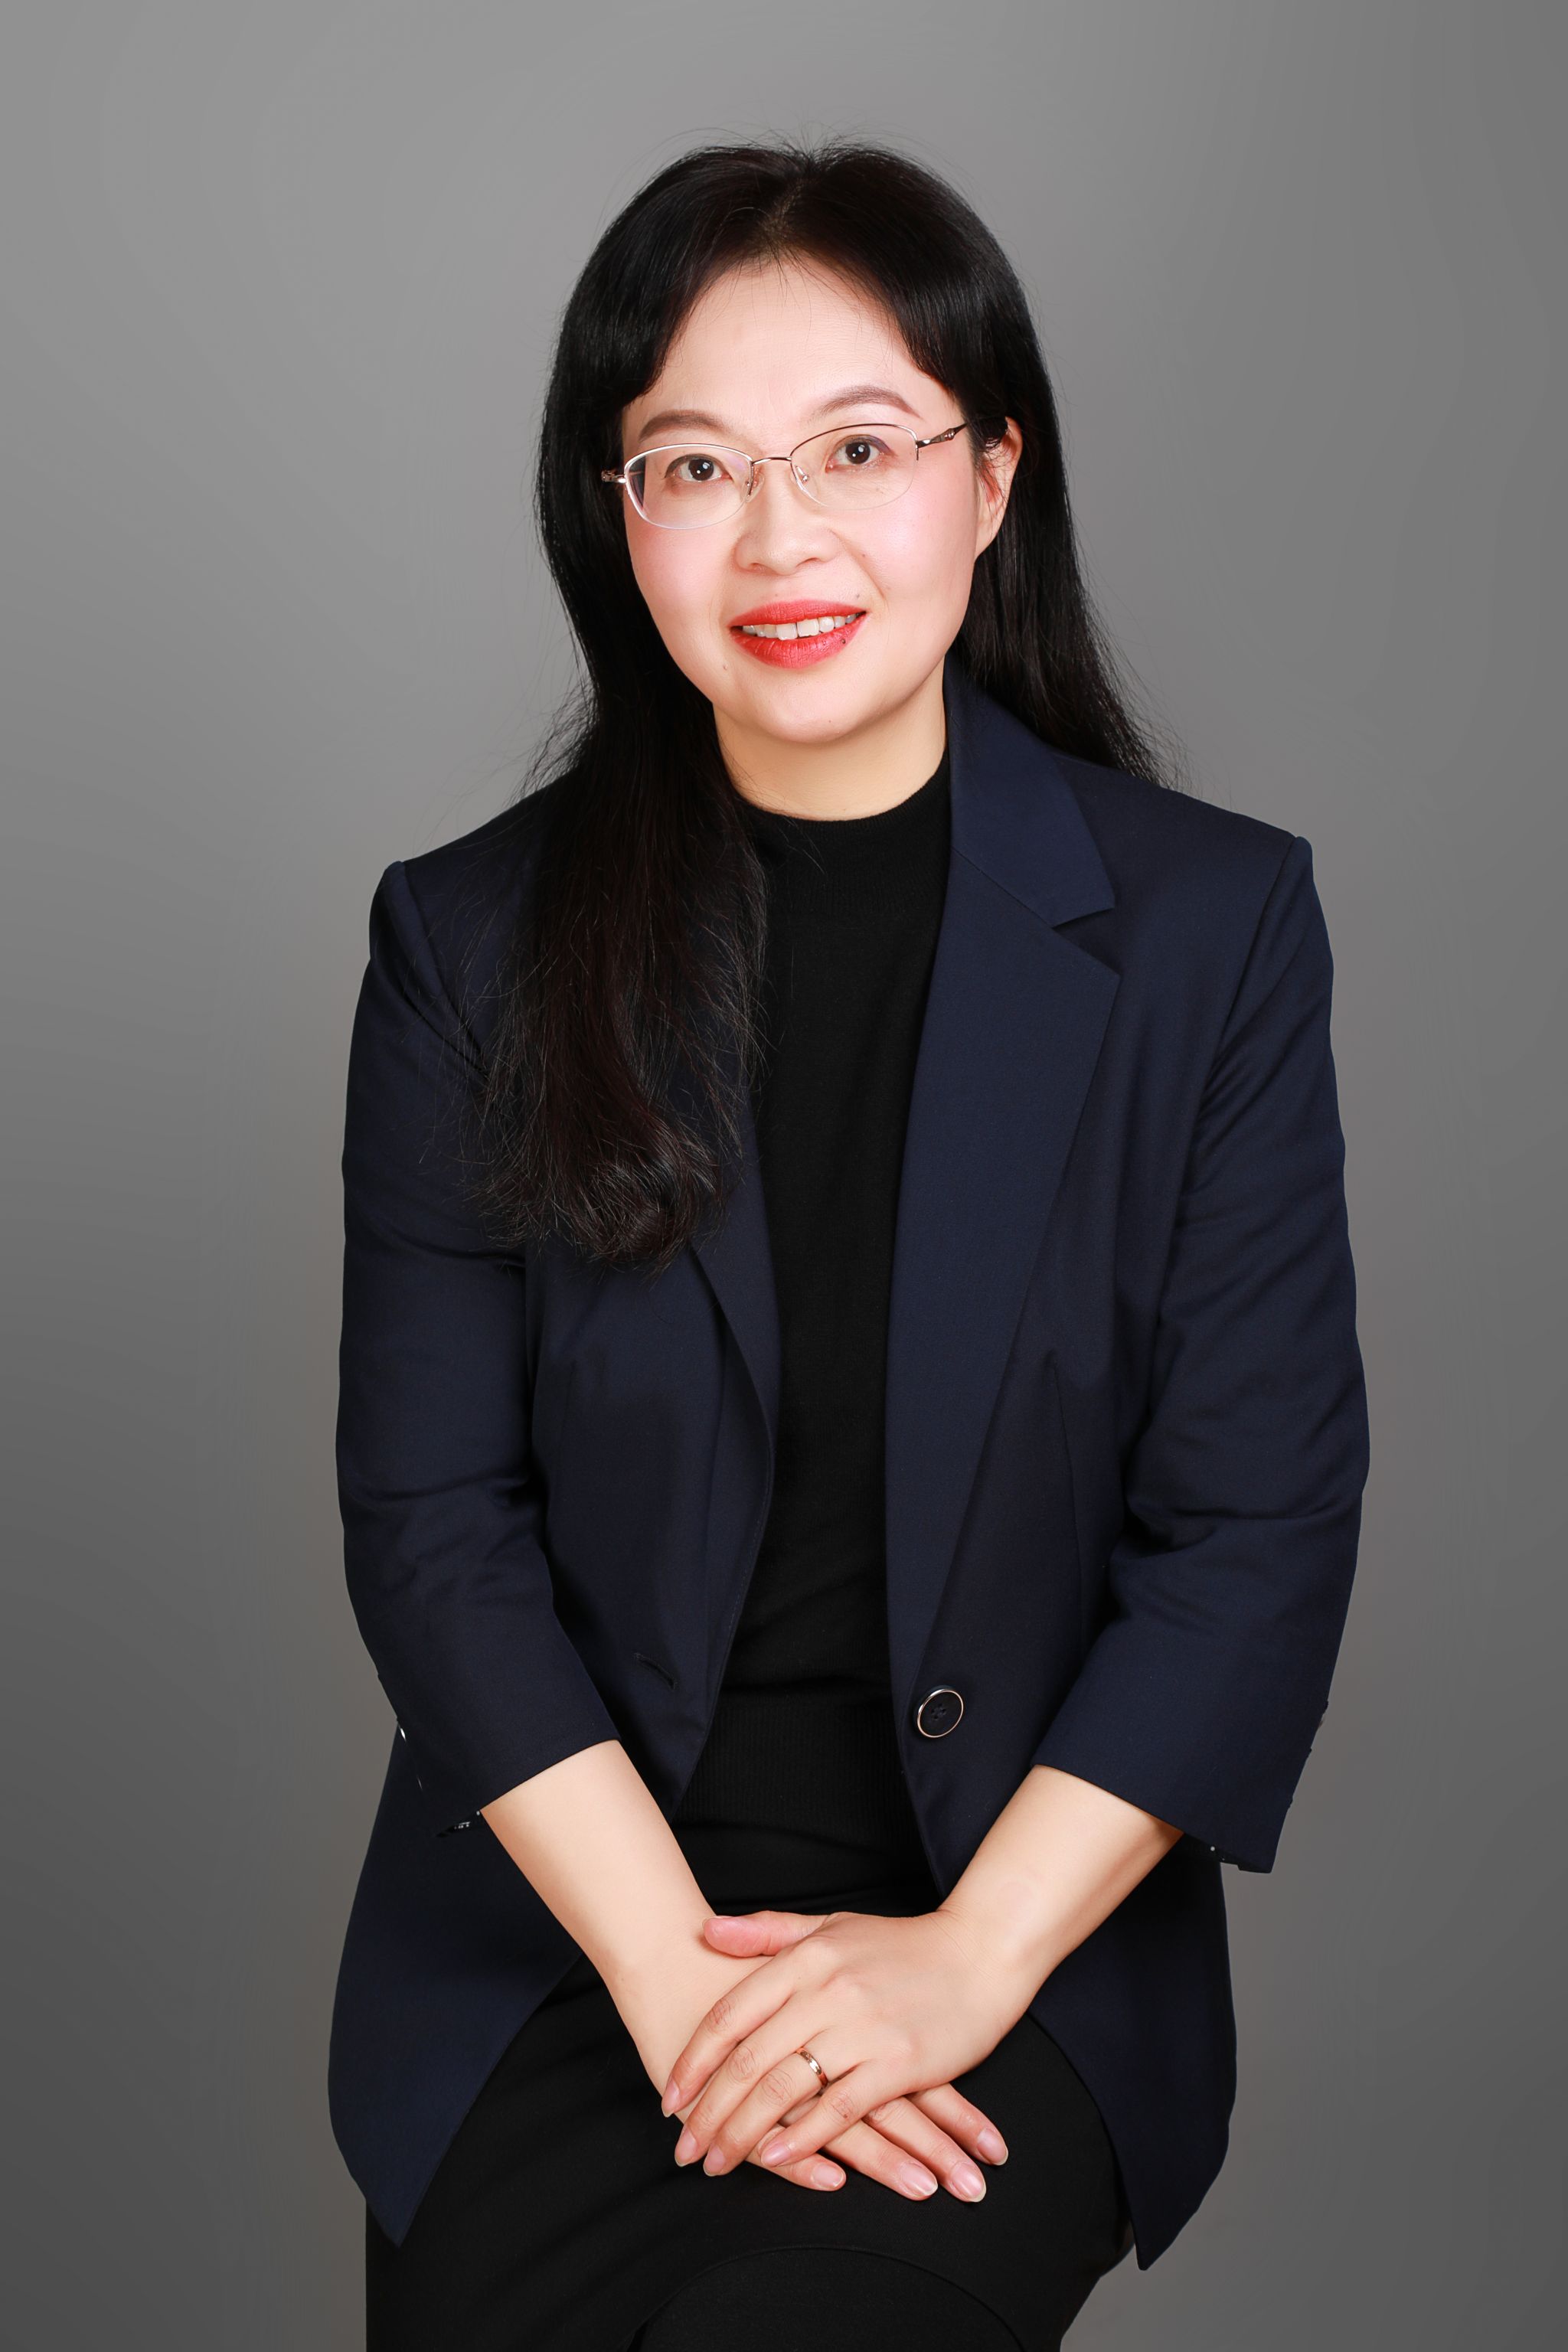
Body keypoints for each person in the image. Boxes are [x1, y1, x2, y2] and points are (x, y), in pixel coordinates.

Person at [327, 138, 1370, 2351]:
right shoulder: (471, 946)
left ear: (993, 481)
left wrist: (961, 1965)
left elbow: (1252, 1535)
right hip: (578, 1948)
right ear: (617, 519)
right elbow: (435, 1533)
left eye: (862, 449)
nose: (778, 537)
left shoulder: (1210, 934)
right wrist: (683, 1990)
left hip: (1009, 1939)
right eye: (694, 466)